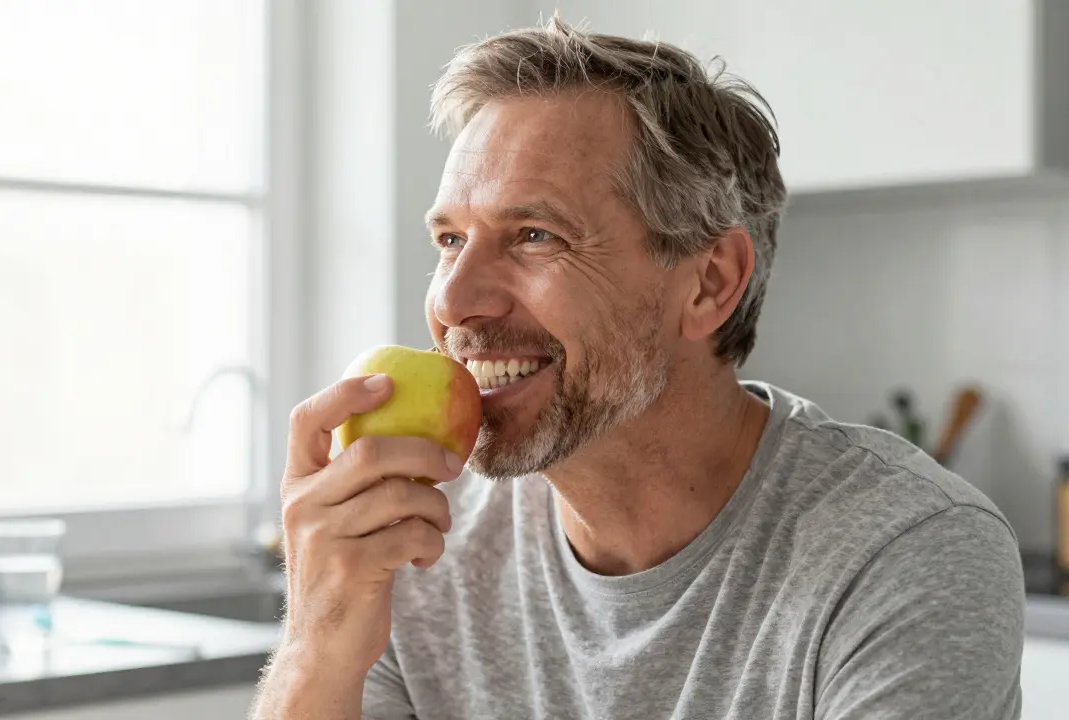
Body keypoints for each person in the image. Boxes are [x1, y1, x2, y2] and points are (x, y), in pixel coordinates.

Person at [253, 17, 1024, 720]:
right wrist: (315, 644)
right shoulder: (411, 533)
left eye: (534, 236)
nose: (453, 301)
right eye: (450, 240)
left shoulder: (901, 549)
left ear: (709, 282)